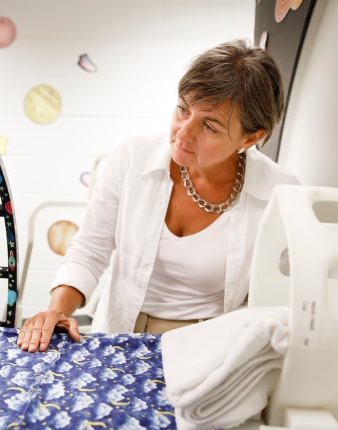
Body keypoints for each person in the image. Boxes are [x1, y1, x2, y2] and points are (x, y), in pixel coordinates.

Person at [17, 39, 300, 352]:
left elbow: (273, 301)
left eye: (209, 126)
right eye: (182, 109)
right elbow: (91, 249)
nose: (183, 132)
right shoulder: (131, 158)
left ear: (250, 137)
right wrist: (56, 311)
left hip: (210, 346)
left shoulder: (280, 194)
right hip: (120, 333)